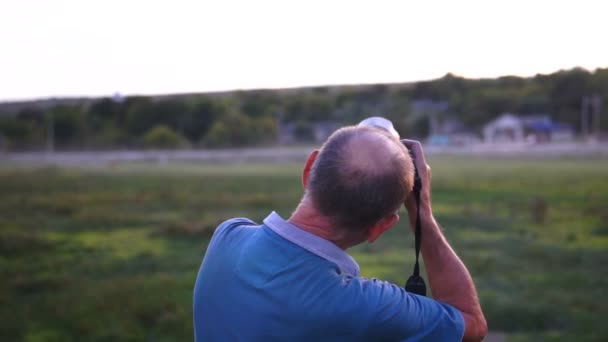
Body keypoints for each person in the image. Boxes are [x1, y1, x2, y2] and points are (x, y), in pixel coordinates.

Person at [193, 124, 487, 341]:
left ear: (309, 170)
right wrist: (422, 214)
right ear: (380, 227)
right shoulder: (366, 307)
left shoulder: (227, 237)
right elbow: (471, 324)